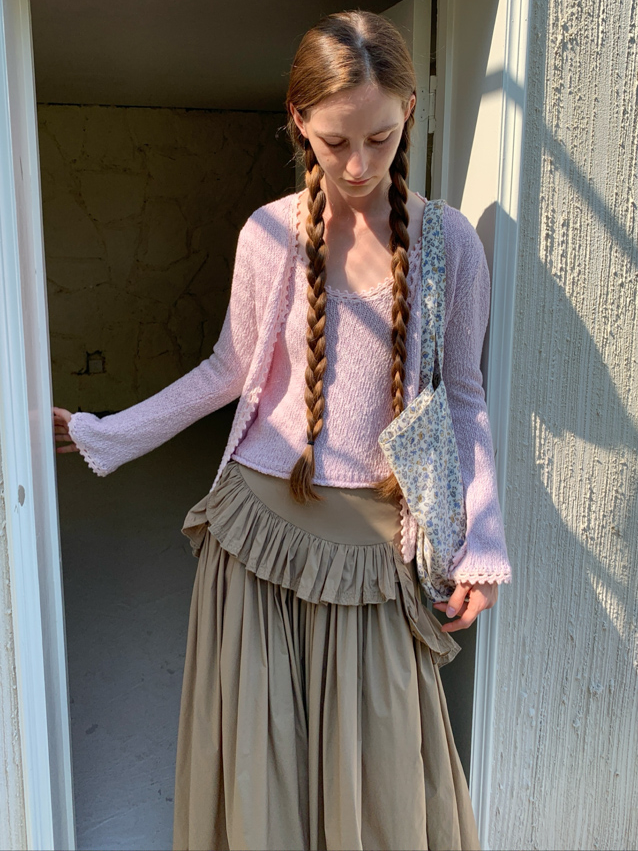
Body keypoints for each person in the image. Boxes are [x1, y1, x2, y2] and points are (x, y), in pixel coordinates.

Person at [53, 10, 511, 851]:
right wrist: (101, 433)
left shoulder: (449, 246)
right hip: (257, 547)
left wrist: (482, 548)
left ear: (410, 110)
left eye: (380, 137)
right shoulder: (269, 233)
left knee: (382, 793)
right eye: (335, 142)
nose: (359, 165)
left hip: (376, 559)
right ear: (299, 121)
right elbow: (226, 371)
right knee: (262, 791)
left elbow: (465, 399)